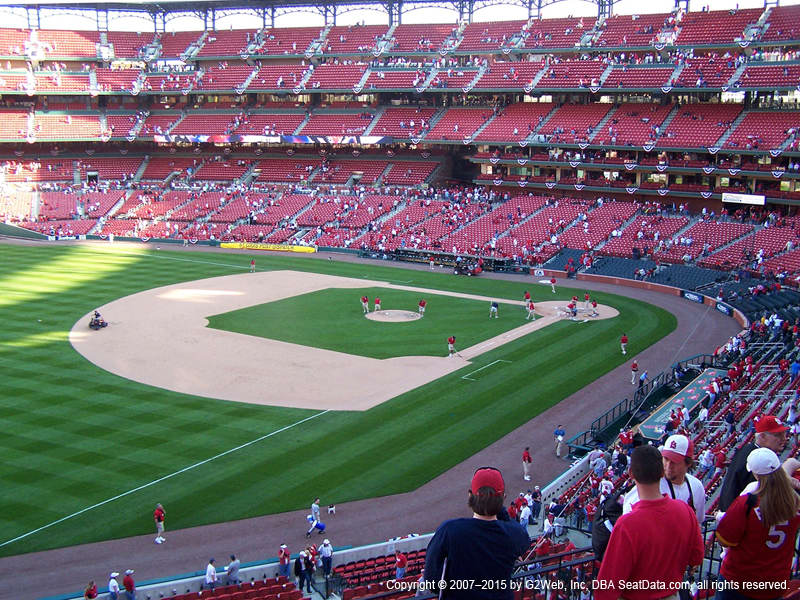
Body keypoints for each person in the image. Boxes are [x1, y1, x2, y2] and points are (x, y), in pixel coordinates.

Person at [595, 445, 704, 600]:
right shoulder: (685, 510)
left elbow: (607, 587)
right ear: (661, 473)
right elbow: (696, 557)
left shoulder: (627, 524)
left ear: (631, 473)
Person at [423, 467, 530, 599]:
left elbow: (431, 581)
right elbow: (520, 534)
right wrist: (497, 505)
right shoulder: (513, 533)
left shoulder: (450, 530)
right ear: (503, 498)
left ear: (470, 496)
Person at [716, 448, 800, 600]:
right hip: (775, 582)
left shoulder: (747, 503)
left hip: (740, 581)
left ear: (755, 474)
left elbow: (725, 539)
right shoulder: (795, 504)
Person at [622, 434, 706, 523]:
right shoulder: (650, 485)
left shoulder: (696, 486)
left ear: (688, 463)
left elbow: (698, 520)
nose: (668, 466)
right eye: (666, 459)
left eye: (674, 461)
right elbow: (628, 520)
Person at [719, 415, 790, 511]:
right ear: (762, 436)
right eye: (778, 435)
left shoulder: (750, 450)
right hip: (739, 516)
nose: (784, 439)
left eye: (784, 434)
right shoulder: (757, 459)